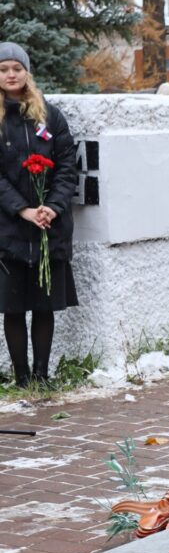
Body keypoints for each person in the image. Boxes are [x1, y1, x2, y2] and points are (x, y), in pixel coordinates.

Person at [0, 42, 78, 387]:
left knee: (43, 304)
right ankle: (20, 377)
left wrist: (52, 207)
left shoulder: (49, 115)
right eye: (3, 69)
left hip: (49, 225)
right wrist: (23, 209)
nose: (11, 75)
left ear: (27, 72)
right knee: (13, 305)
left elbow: (66, 166)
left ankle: (41, 374)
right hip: (10, 226)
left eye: (17, 68)